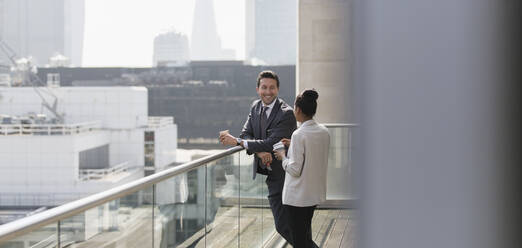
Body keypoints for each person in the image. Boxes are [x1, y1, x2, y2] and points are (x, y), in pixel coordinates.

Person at [219, 70, 297, 244]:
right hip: (273, 176)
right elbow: (246, 134)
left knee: (285, 226)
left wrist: (237, 141)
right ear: (257, 89)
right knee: (292, 227)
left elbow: (272, 143)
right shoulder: (255, 107)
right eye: (264, 87)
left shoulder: (286, 113)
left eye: (272, 88)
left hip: (287, 177)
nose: (267, 91)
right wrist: (259, 151)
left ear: (278, 90)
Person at [274, 89, 330, 248]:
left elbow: (294, 169)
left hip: (297, 198)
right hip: (313, 194)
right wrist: (293, 147)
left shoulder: (299, 134)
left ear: (298, 109)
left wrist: (283, 157)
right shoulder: (323, 131)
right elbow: (313, 153)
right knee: (305, 236)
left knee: (299, 241)